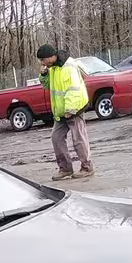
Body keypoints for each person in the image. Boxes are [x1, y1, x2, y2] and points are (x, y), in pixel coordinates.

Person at [36, 43, 94, 181]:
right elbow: (48, 86)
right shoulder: (54, 68)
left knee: (78, 139)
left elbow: (73, 89)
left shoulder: (68, 67)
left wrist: (70, 109)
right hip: (60, 111)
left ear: (50, 57)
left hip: (73, 109)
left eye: (43, 60)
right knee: (56, 138)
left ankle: (87, 167)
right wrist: (44, 75)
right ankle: (65, 168)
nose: (42, 63)